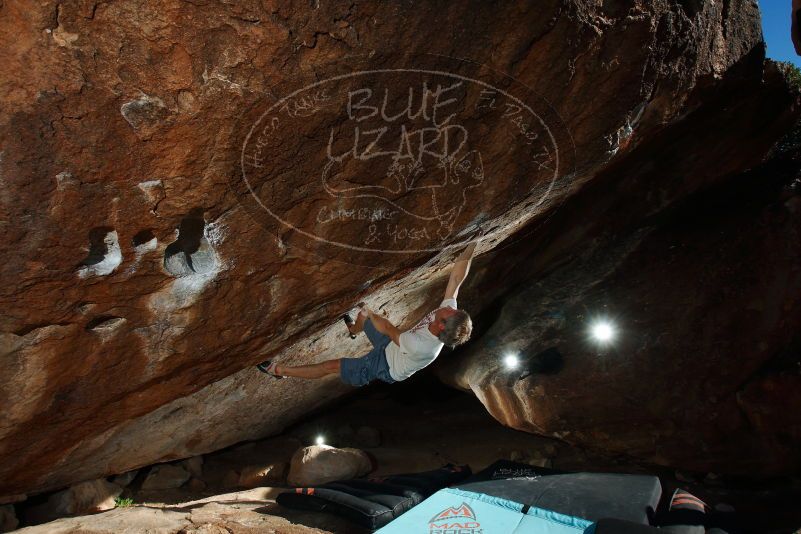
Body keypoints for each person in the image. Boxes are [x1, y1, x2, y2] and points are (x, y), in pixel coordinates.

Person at [256, 240, 478, 385]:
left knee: (331, 366)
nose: (449, 307)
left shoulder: (424, 347)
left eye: (447, 312)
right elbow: (457, 279)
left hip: (385, 367)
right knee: (361, 316)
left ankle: (278, 371)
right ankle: (354, 330)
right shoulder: (450, 317)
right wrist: (473, 244)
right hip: (393, 346)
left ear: (441, 327)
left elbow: (389, 329)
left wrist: (371, 312)